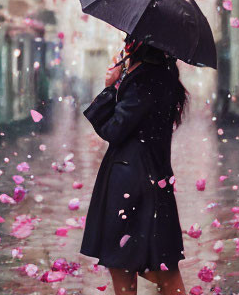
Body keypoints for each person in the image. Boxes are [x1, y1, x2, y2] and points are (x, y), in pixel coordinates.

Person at [79, 35, 190, 295]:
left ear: (137, 45)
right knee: (159, 267)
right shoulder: (163, 74)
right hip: (151, 176)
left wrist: (110, 88)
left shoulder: (145, 78)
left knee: (128, 267)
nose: (124, 43)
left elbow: (115, 129)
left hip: (131, 181)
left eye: (128, 38)